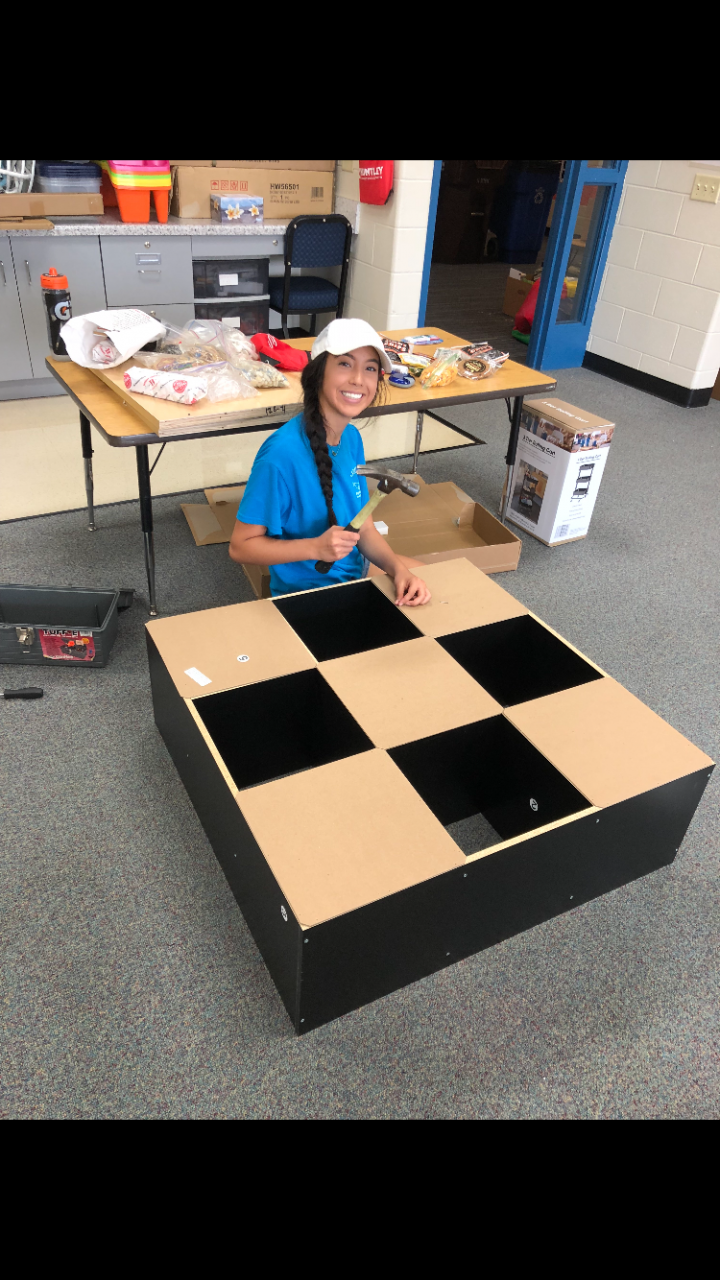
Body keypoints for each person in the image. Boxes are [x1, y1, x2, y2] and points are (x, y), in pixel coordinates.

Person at [229, 318, 431, 605]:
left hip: (355, 568)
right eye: (345, 364)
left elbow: (365, 529)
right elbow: (240, 547)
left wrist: (399, 570)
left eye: (370, 368)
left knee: (442, 583)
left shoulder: (351, 437)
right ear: (318, 373)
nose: (358, 379)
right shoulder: (280, 456)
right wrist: (315, 548)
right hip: (310, 591)